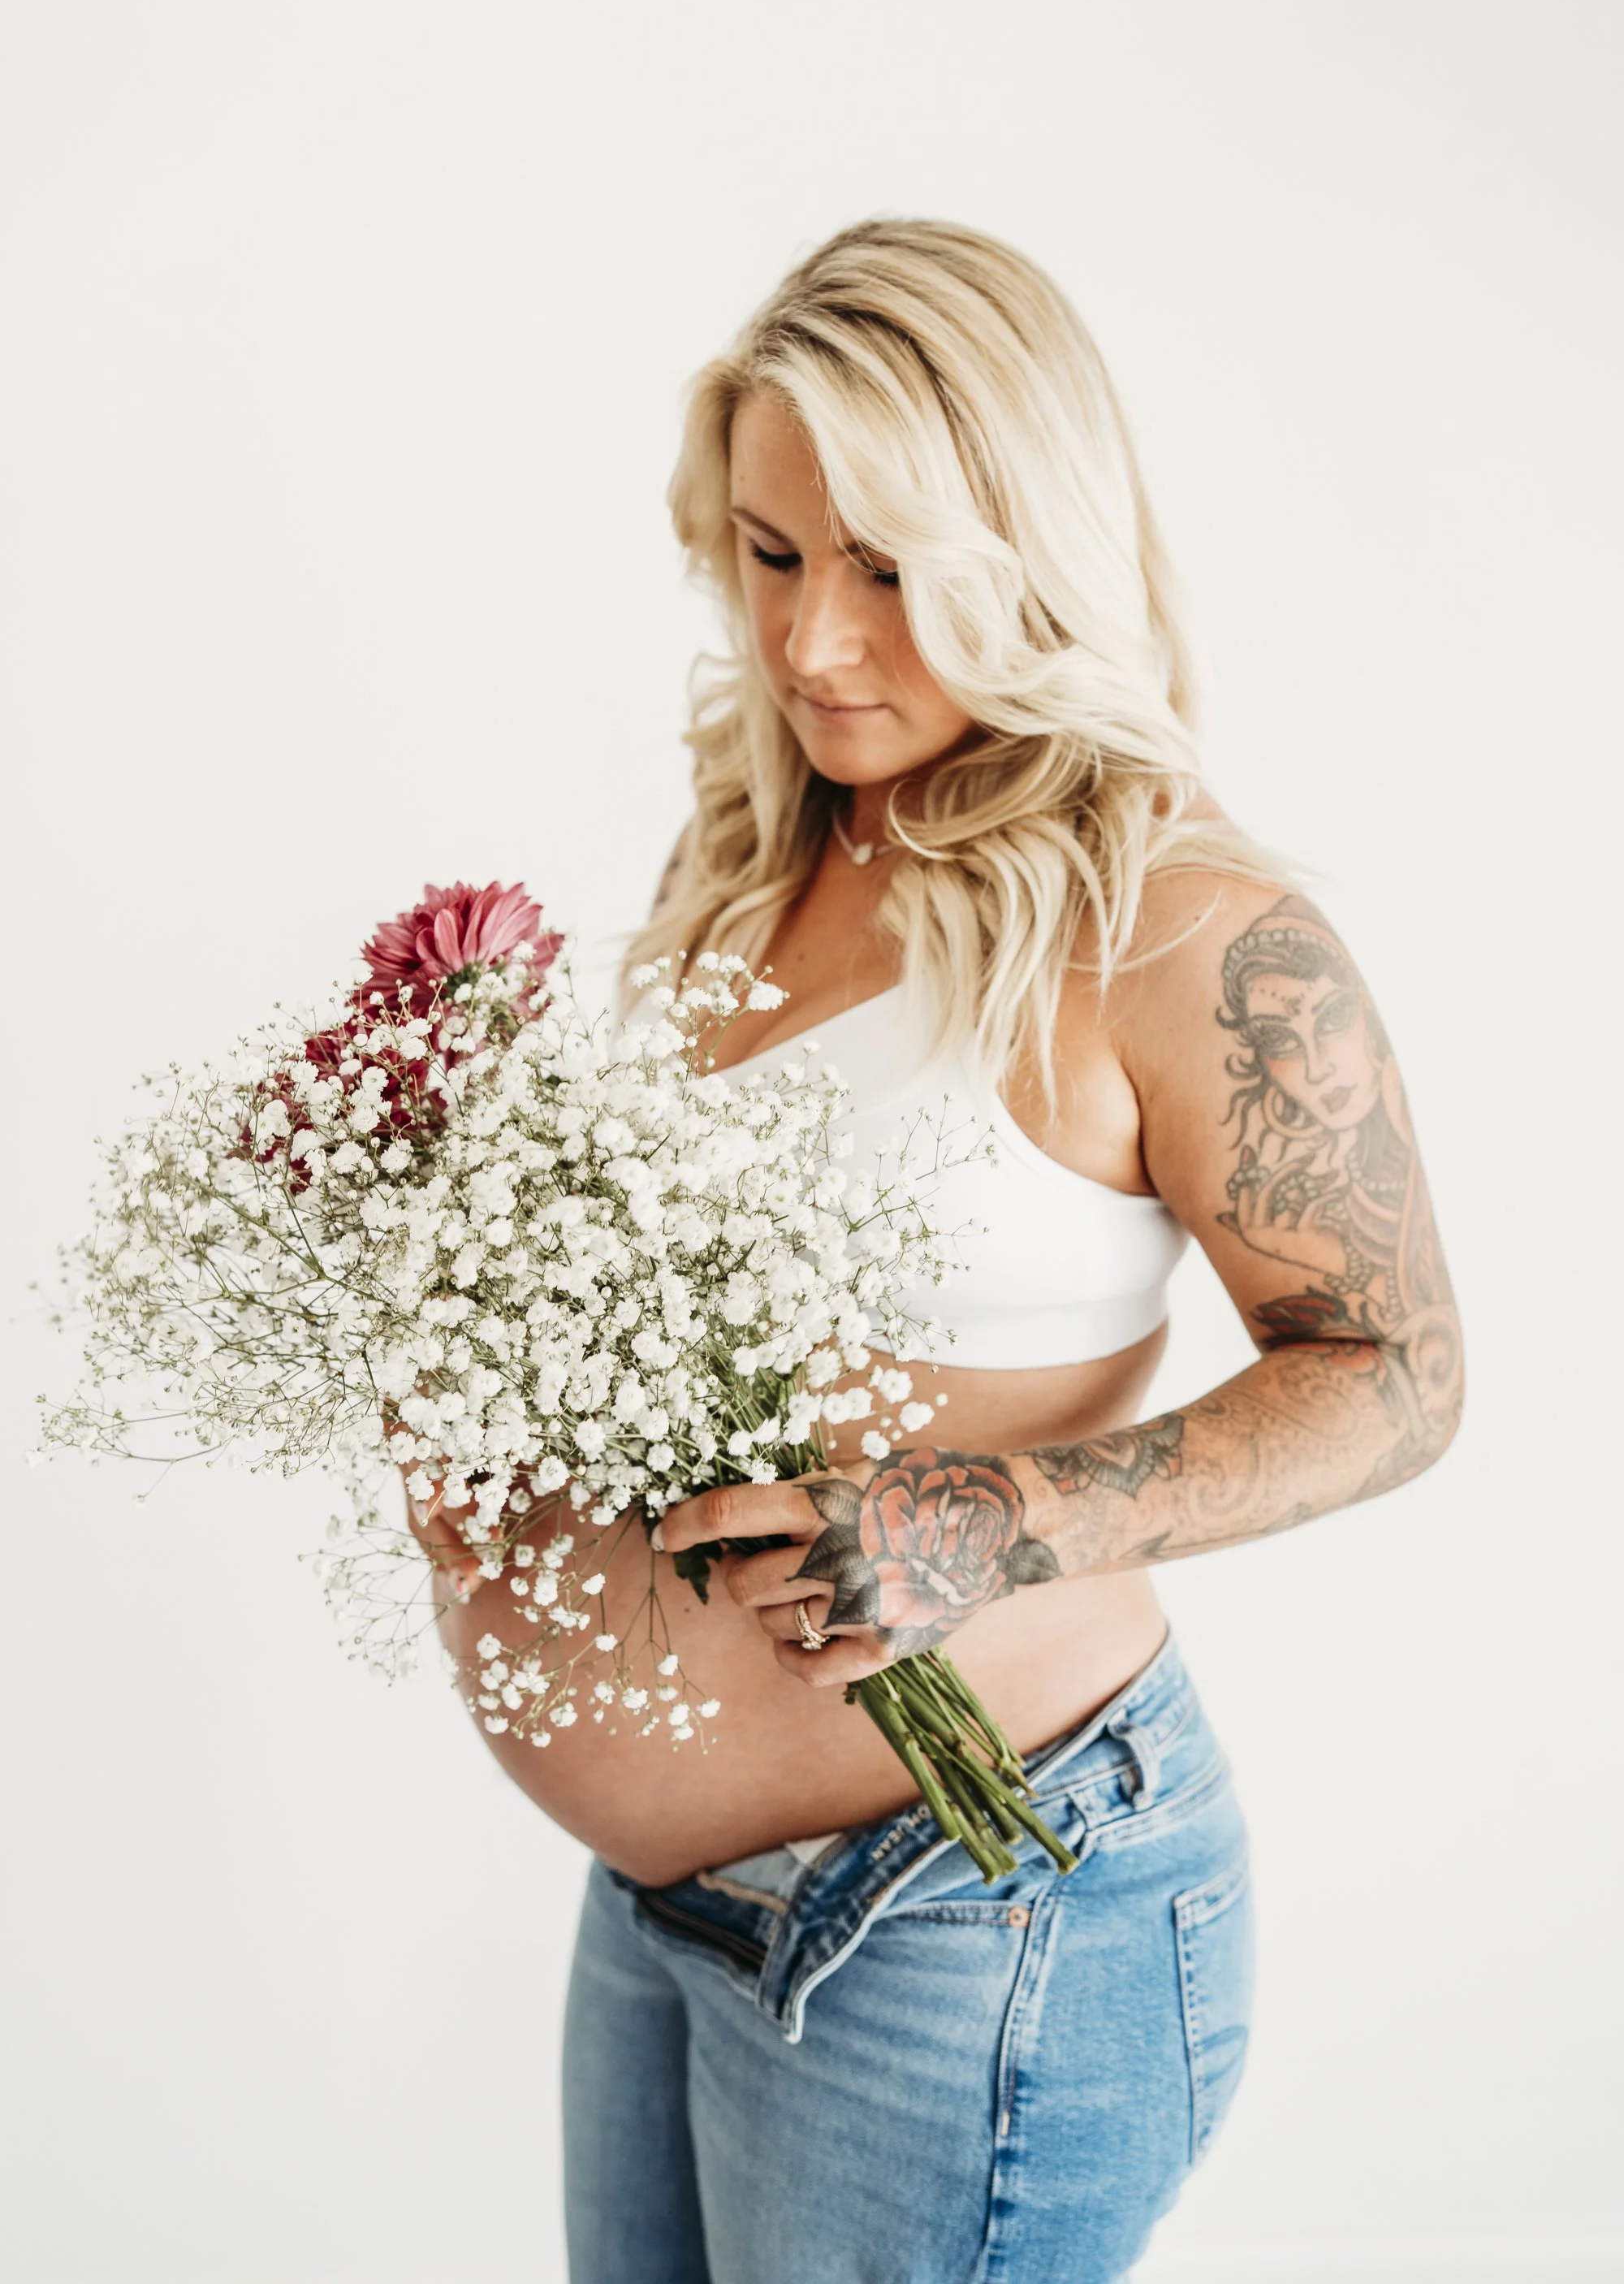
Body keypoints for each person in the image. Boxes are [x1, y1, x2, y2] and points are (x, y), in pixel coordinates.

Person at [412, 218, 1463, 2282]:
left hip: (966, 1919)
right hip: (668, 1923)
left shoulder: (1180, 926)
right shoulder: (757, 850)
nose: (812, 643)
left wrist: (1002, 1519)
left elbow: (1398, 1375)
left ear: (1025, 544)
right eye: (772, 552)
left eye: (888, 567)